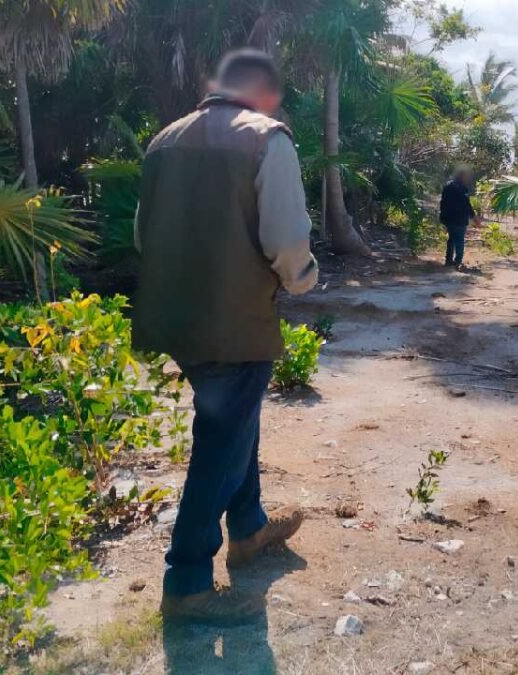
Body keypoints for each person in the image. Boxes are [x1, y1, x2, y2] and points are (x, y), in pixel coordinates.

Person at [132, 48, 318, 624]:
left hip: (177, 319)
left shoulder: (163, 142)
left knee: (236, 422)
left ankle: (250, 528)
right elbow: (286, 240)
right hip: (236, 319)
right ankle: (187, 581)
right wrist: (302, 279)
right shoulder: (267, 140)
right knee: (222, 443)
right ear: (262, 92)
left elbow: (142, 234)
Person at [439, 167, 483, 269]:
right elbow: (466, 205)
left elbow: (443, 203)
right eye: (465, 176)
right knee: (459, 240)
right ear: (462, 176)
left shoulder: (447, 187)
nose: (467, 178)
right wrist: (474, 218)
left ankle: (448, 260)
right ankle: (458, 261)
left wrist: (443, 217)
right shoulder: (462, 189)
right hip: (459, 218)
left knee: (451, 239)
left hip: (449, 218)